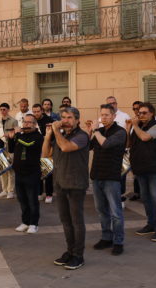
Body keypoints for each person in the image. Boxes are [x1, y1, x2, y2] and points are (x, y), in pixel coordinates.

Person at [43, 107, 90, 270]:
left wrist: (56, 131)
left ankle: (79, 255)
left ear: (77, 120)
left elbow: (66, 147)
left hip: (76, 184)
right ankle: (70, 251)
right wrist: (48, 135)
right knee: (65, 220)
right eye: (63, 117)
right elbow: (44, 154)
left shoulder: (82, 136)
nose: (65, 120)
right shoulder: (59, 135)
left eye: (69, 117)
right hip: (60, 182)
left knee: (77, 221)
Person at [86, 104, 127, 255]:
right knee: (101, 210)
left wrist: (96, 131)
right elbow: (88, 147)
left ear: (114, 116)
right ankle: (106, 237)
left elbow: (106, 144)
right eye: (101, 115)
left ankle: (118, 241)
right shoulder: (99, 132)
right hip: (97, 175)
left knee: (116, 212)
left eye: (106, 115)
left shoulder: (120, 132)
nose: (103, 118)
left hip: (111, 177)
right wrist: (90, 132)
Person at [129, 102, 156, 242]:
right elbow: (129, 144)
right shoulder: (139, 127)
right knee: (145, 198)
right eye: (139, 113)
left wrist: (135, 126)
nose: (141, 115)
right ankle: (150, 224)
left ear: (152, 113)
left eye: (144, 113)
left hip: (153, 168)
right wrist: (130, 128)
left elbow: (145, 137)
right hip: (140, 168)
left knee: (155, 199)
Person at [6, 114, 43, 234]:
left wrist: (16, 135)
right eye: (25, 122)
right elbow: (12, 149)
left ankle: (34, 223)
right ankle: (25, 222)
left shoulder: (37, 137)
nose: (26, 124)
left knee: (32, 200)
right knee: (22, 200)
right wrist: (11, 138)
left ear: (34, 124)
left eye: (29, 122)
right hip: (19, 173)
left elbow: (28, 144)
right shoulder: (21, 136)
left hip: (32, 173)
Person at [0, 103, 18, 199]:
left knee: (11, 171)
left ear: (8, 110)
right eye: (1, 109)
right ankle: (4, 190)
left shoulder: (14, 121)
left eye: (4, 109)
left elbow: (16, 134)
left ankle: (11, 191)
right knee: (3, 171)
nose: (2, 111)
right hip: (1, 148)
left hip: (10, 148)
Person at [32, 103, 54, 203]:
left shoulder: (49, 120)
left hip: (47, 149)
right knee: (37, 173)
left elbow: (54, 135)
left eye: (38, 111)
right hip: (35, 150)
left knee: (48, 173)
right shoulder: (32, 121)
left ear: (42, 111)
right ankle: (39, 193)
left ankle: (49, 194)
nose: (36, 113)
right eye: (34, 111)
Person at [123, 101, 143, 202]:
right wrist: (128, 128)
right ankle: (137, 193)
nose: (136, 111)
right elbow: (129, 139)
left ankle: (143, 193)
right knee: (135, 173)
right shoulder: (132, 121)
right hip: (133, 151)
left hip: (142, 152)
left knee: (142, 174)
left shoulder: (144, 122)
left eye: (138, 108)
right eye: (134, 109)